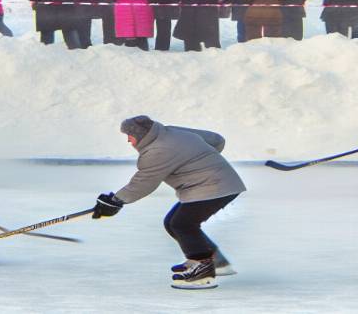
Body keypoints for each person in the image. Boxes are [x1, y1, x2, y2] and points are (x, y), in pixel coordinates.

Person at [92, 116, 246, 289]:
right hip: (217, 183)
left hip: (214, 187)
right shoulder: (172, 132)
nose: (128, 140)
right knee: (172, 223)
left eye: (130, 135)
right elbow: (216, 140)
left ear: (141, 135)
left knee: (183, 225)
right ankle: (217, 263)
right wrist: (197, 158)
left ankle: (203, 270)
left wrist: (115, 201)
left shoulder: (157, 151)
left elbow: (144, 183)